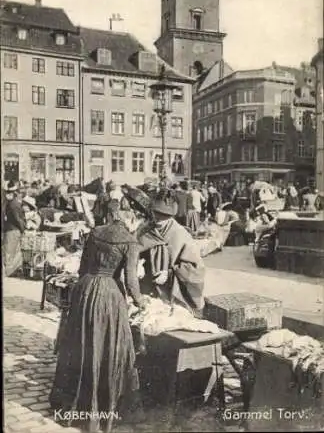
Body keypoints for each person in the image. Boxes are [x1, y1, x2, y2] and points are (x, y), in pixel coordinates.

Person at [49, 200, 146, 432]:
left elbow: (82, 268)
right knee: (109, 346)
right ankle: (103, 406)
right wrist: (141, 302)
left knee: (82, 343)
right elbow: (131, 281)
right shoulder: (130, 241)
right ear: (130, 219)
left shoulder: (96, 232)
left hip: (85, 288)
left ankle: (75, 404)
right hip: (109, 295)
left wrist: (85, 287)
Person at [138, 193, 206, 317]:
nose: (158, 220)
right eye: (156, 214)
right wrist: (138, 263)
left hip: (172, 292)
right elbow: (135, 250)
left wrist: (169, 274)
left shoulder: (180, 234)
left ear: (170, 216)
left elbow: (196, 268)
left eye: (164, 217)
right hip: (147, 288)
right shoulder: (145, 230)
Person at [2, 181, 25, 277]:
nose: (7, 194)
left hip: (12, 230)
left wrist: (22, 228)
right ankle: (12, 271)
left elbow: (17, 219)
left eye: (8, 193)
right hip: (12, 230)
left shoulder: (12, 204)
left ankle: (10, 272)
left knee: (9, 251)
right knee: (11, 251)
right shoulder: (12, 203)